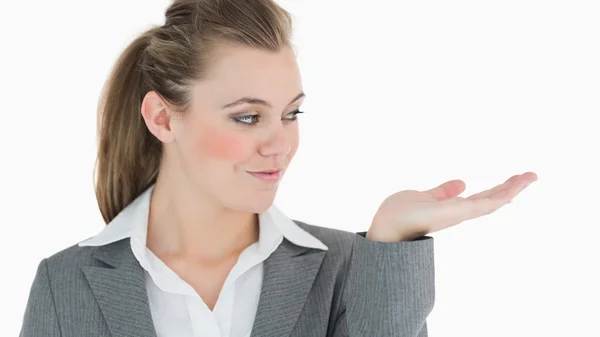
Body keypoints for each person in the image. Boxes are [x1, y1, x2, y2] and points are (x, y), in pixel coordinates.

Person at [19, 0, 537, 336]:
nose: (280, 144)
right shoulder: (66, 285)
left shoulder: (347, 268)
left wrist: (391, 243)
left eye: (291, 113)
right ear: (161, 117)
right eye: (247, 117)